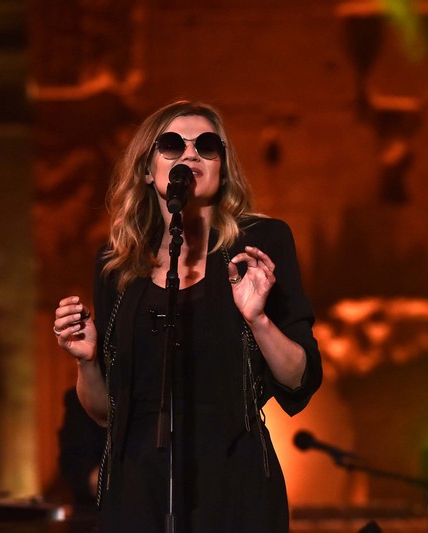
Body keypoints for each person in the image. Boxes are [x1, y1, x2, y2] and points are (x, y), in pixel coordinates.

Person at [52, 100, 322, 532]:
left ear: (224, 167)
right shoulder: (117, 264)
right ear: (146, 169)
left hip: (233, 478)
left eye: (207, 146)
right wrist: (86, 359)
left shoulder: (261, 242)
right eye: (172, 145)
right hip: (138, 486)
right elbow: (106, 412)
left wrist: (258, 319)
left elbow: (299, 378)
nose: (190, 155)